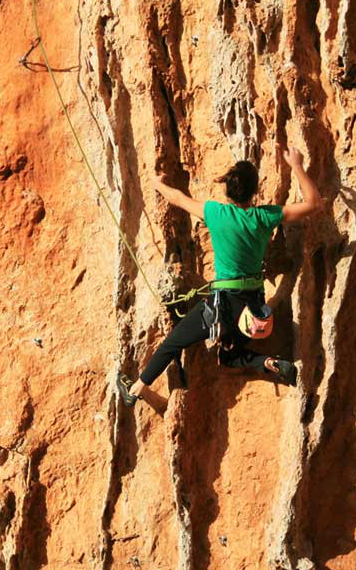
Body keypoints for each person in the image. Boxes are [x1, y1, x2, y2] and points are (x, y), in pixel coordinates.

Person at [117, 143, 323, 407]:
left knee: (172, 343)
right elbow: (313, 203)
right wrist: (296, 165)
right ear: (255, 190)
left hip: (224, 306)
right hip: (254, 309)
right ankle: (268, 363)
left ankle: (133, 390)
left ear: (228, 190)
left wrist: (155, 183)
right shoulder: (264, 217)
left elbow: (178, 198)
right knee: (228, 356)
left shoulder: (216, 213)